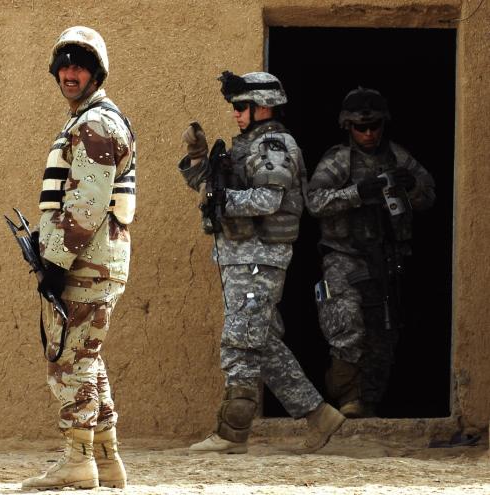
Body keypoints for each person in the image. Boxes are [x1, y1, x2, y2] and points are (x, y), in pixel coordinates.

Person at [178, 71, 344, 454]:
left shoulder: (273, 145)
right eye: (235, 107)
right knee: (262, 341)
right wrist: (199, 158)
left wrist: (223, 200)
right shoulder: (246, 146)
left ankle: (232, 433)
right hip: (241, 256)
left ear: (264, 107)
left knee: (240, 340)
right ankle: (320, 416)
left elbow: (268, 200)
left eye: (242, 106)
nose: (235, 113)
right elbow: (208, 189)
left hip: (260, 257)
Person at [21, 26, 136, 490]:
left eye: (80, 66)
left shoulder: (95, 123)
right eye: (64, 65)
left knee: (70, 360)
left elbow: (87, 204)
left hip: (86, 262)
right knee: (88, 357)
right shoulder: (91, 119)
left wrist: (55, 261)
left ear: (96, 74)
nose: (70, 73)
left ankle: (77, 461)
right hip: (94, 259)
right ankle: (105, 461)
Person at [306, 87, 435, 418]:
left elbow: (429, 196)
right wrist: (356, 193)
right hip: (344, 257)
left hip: (387, 258)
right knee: (347, 325)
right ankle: (345, 398)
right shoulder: (339, 160)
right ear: (348, 127)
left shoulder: (397, 157)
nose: (368, 133)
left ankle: (367, 406)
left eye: (374, 126)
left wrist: (412, 187)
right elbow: (314, 201)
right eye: (360, 127)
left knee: (383, 336)